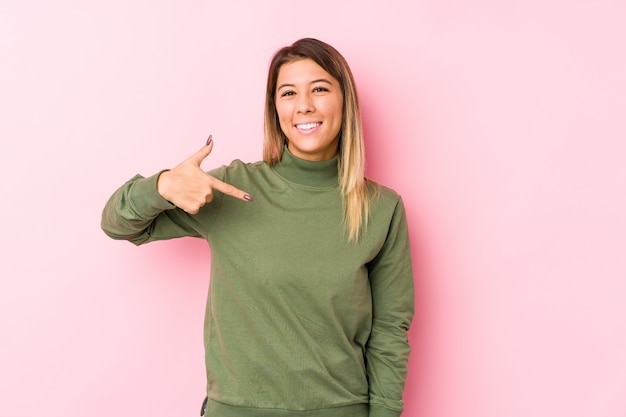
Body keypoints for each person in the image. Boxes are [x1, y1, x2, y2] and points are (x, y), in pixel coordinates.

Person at [101, 38, 414, 417]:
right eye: (288, 93)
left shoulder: (382, 208)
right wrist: (162, 185)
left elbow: (388, 332)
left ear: (345, 100)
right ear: (275, 109)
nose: (304, 105)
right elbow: (119, 224)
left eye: (319, 88)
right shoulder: (233, 188)